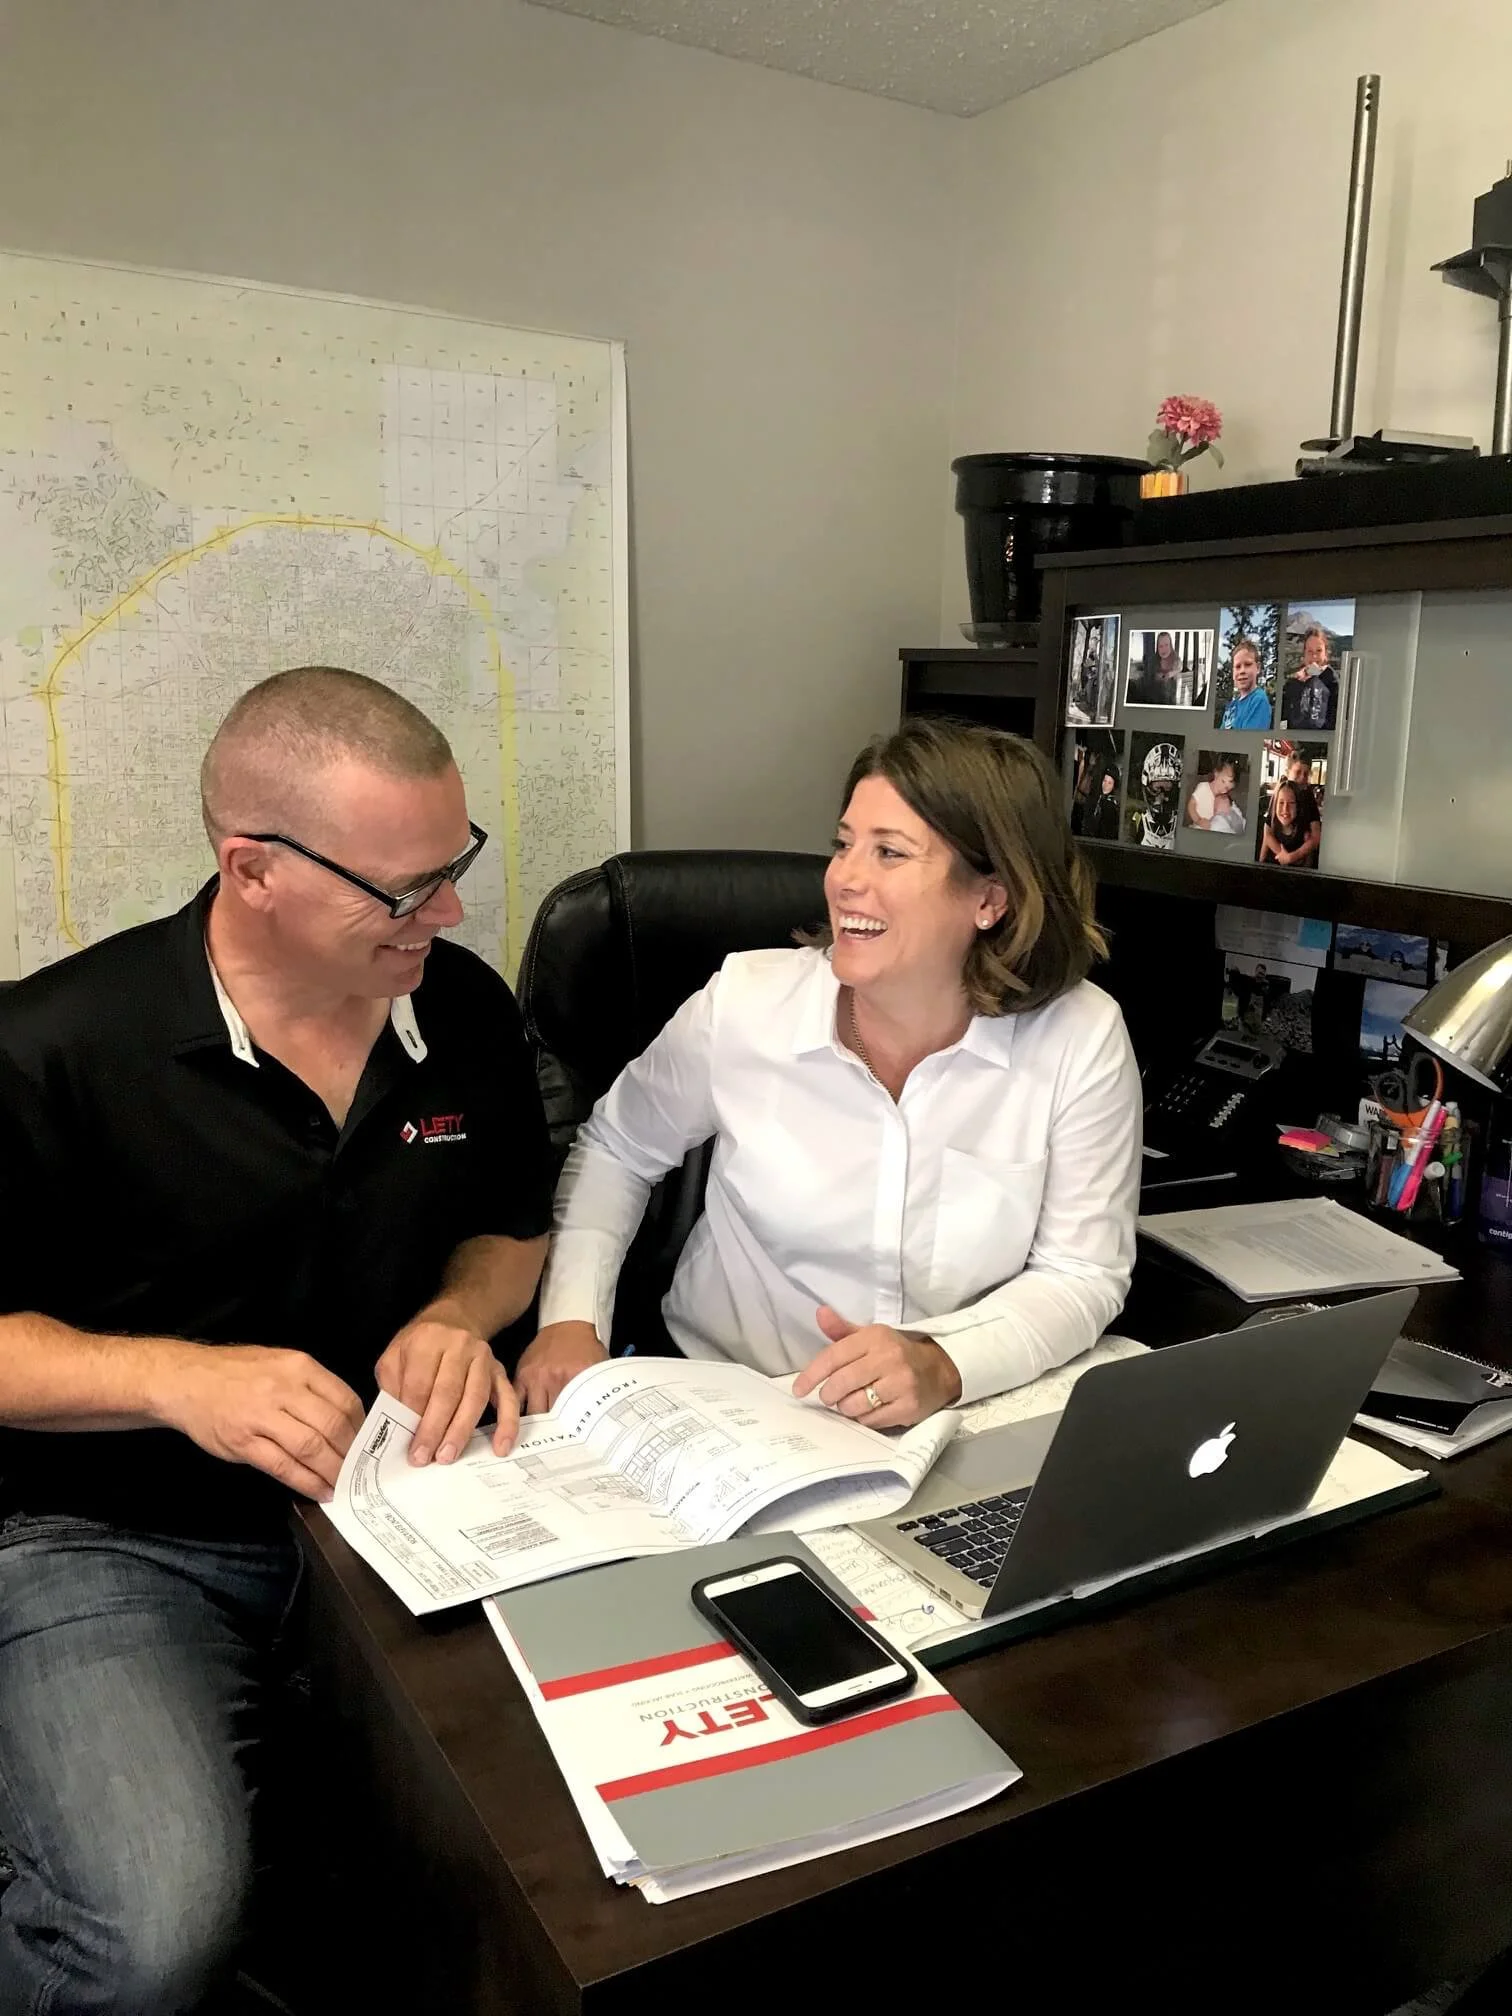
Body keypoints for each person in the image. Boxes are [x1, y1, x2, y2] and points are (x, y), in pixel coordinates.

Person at [0, 667, 553, 2013]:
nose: (453, 911)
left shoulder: (463, 1008)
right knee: (156, 1934)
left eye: (454, 865)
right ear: (252, 870)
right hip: (117, 1534)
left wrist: (452, 1313)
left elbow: (514, 1236)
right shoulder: (56, 1046)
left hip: (405, 1506)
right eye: (406, 887)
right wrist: (172, 1378)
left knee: (560, 1867)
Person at [516, 718, 1142, 1430]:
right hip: (732, 1405)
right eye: (844, 845)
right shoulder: (745, 1006)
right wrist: (570, 1320)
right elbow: (617, 1150)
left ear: (989, 900)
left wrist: (943, 1362)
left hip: (955, 1413)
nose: (844, 879)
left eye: (889, 854)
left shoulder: (1080, 1037)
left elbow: (1082, 1272)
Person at [1279, 627, 1338, 730]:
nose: (1314, 656)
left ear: (1326, 654)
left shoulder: (1333, 681)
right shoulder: (1293, 682)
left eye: (1319, 651)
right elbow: (1283, 715)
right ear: (1304, 654)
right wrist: (1297, 685)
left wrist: (1320, 676)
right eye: (1309, 651)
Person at [1258, 777, 1321, 868]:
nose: (1285, 809)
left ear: (1298, 806)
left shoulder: (1305, 833)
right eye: (1281, 803)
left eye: (1291, 803)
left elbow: (1308, 865)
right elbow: (1262, 857)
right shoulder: (1270, 825)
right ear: (1275, 805)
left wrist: (1290, 858)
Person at [1219, 638, 1273, 731]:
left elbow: (1246, 743)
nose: (1242, 671)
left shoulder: (1259, 700)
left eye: (1247, 664)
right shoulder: (1232, 705)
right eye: (1237, 666)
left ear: (1258, 668)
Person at [1186, 759, 1246, 834]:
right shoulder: (1203, 787)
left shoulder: (1223, 797)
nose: (1223, 788)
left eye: (1227, 788)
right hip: (1199, 824)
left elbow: (1230, 811)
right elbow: (1191, 805)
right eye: (1223, 781)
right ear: (1216, 774)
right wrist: (1198, 820)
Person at [1127, 629, 1182, 708]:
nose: (1164, 649)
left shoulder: (1175, 659)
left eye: (1166, 645)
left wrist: (1171, 673)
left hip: (1169, 702)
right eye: (1161, 646)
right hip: (1154, 699)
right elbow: (1151, 677)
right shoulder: (1154, 660)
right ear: (1157, 647)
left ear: (1171, 646)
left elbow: (1179, 667)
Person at [1086, 761, 1121, 841]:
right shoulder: (1098, 799)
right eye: (1104, 781)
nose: (1105, 785)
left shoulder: (1110, 806)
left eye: (1109, 783)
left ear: (1113, 786)